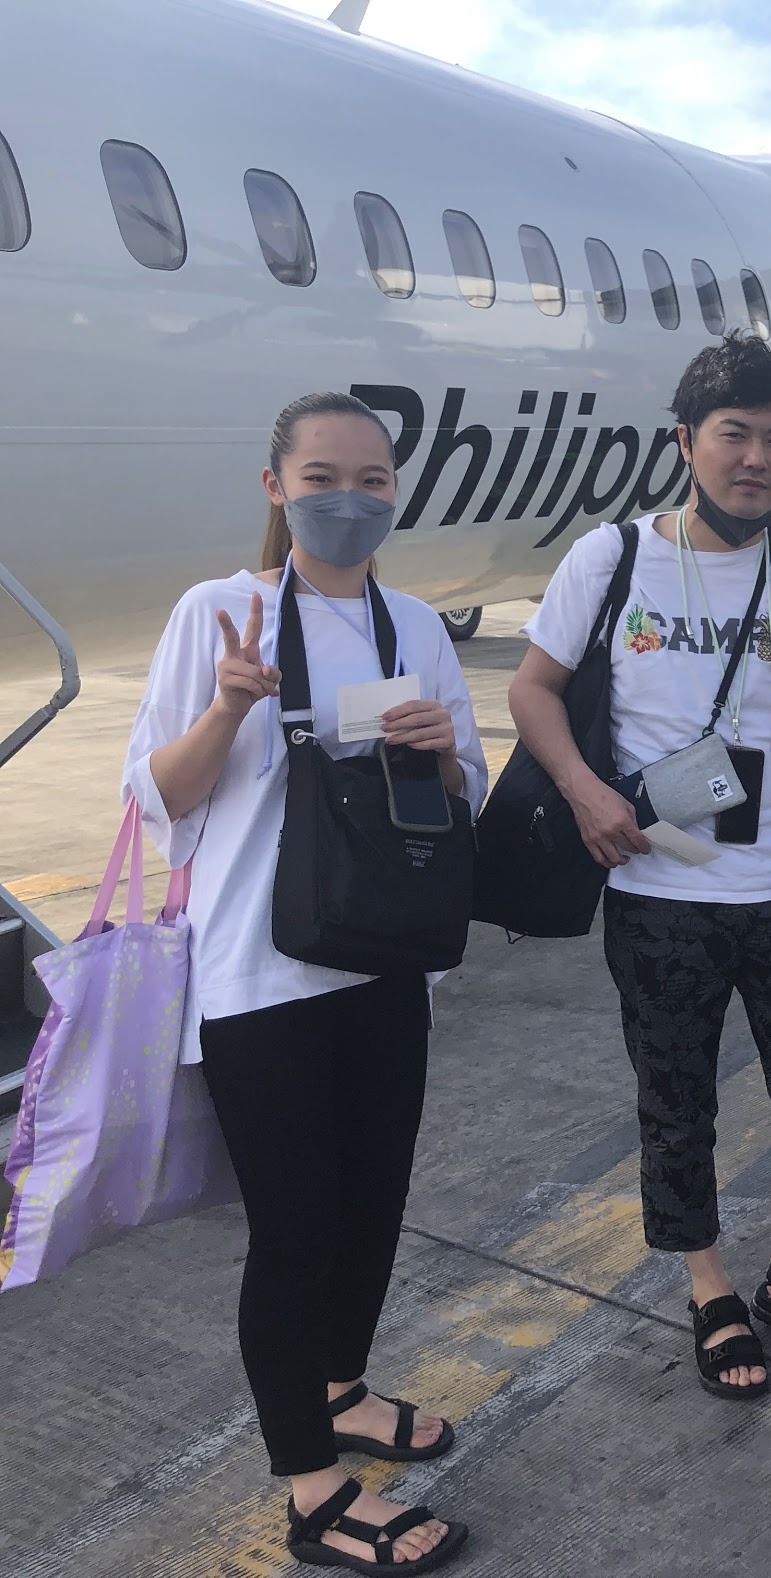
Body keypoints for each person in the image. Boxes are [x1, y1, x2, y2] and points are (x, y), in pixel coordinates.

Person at [123, 391, 487, 1574]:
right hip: (260, 979)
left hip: (384, 966)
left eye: (373, 479)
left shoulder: (414, 626)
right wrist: (230, 705)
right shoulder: (218, 612)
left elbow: (468, 790)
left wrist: (439, 754)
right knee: (294, 1232)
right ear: (276, 486)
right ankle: (313, 1488)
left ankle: (342, 1389)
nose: (349, 499)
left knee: (373, 1202)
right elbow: (156, 798)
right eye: (322, 477)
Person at [510, 334, 771, 1401]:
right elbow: (532, 690)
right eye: (735, 435)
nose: (757, 459)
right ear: (686, 442)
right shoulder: (610, 559)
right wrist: (586, 792)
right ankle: (708, 1286)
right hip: (657, 891)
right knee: (676, 1102)